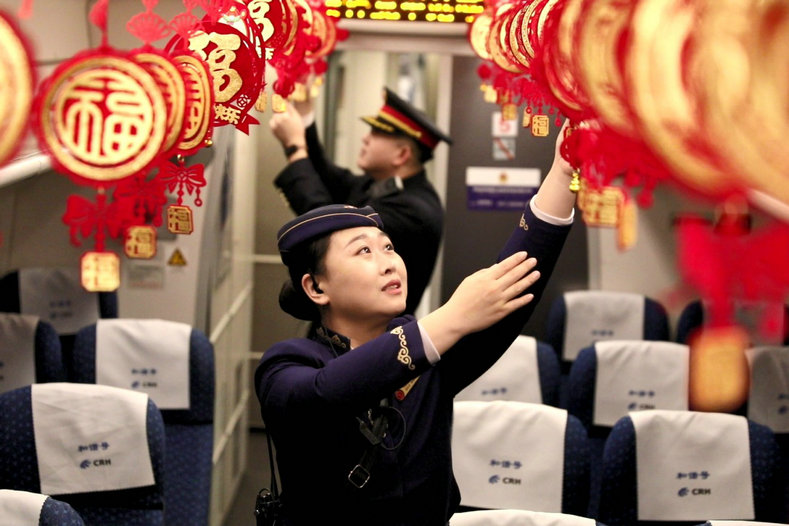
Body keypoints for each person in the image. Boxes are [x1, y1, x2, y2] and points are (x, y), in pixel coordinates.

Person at [255, 122, 577, 525]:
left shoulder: (432, 358)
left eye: (389, 247)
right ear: (316, 287)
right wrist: (451, 317)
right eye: (364, 251)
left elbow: (516, 279)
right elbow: (325, 393)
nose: (389, 261)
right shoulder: (285, 365)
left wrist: (562, 171)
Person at [269, 86, 451, 315]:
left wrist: (295, 148)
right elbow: (328, 174)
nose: (365, 139)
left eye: (375, 133)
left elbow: (326, 227)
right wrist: (305, 114)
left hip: (376, 331)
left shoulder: (414, 210)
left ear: (402, 154)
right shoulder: (382, 184)